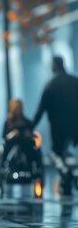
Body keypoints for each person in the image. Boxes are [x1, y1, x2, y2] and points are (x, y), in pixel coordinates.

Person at [33, 56, 78, 195]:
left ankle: (65, 172)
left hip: (58, 126)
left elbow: (41, 110)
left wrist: (30, 126)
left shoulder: (50, 85)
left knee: (56, 154)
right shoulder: (75, 82)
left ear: (55, 66)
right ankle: (70, 178)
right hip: (76, 123)